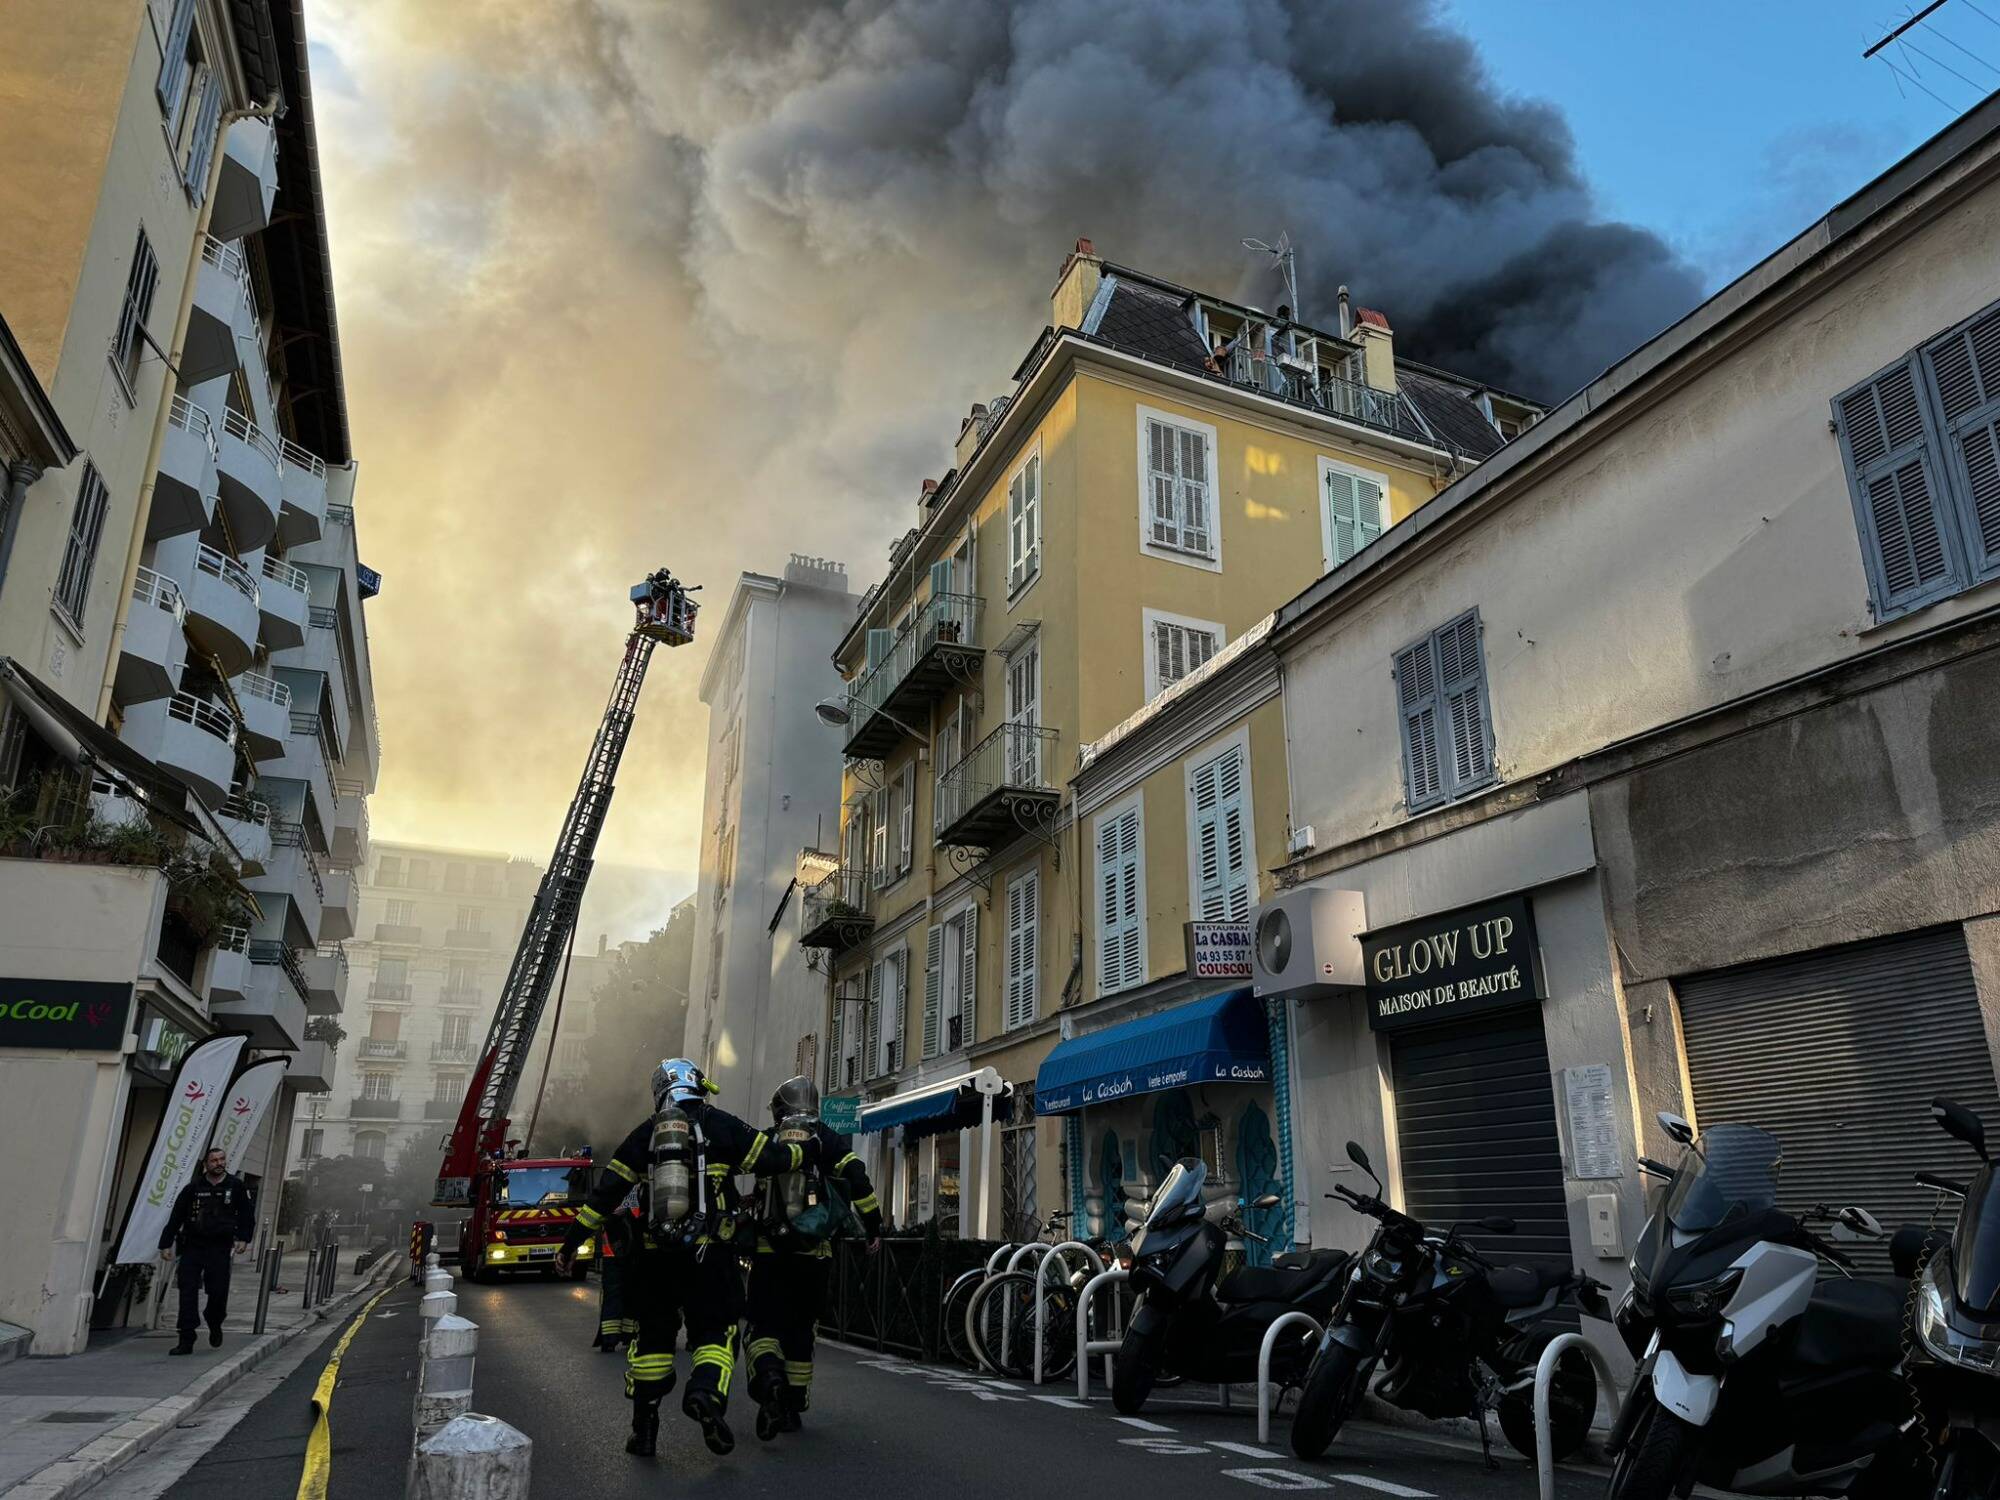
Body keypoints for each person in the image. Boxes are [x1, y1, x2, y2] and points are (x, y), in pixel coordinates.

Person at [556, 1058, 822, 1458]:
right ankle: (705, 1394)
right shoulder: (722, 1125)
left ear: (660, 1090)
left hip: (655, 1259)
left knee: (653, 1339)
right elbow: (773, 1159)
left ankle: (644, 1431)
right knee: (717, 1331)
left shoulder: (645, 1133)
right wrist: (808, 1150)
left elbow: (604, 1196)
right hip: (711, 1255)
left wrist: (569, 1245)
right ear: (699, 1085)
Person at [746, 1075, 881, 1440]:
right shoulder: (827, 1139)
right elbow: (858, 1180)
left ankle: (770, 1381)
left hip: (770, 1253)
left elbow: (739, 1166)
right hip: (814, 1256)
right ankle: (791, 1408)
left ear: (779, 1109)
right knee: (801, 1330)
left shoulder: (770, 1138)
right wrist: (873, 1226)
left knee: (763, 1325)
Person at [158, 1147, 253, 1355]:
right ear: (206, 1164)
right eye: (214, 1160)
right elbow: (177, 1216)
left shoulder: (235, 1186)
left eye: (222, 1159)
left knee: (218, 1291)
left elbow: (246, 1214)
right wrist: (166, 1243)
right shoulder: (193, 1188)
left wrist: (244, 1238)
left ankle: (214, 1320)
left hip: (220, 1247)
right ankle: (186, 1336)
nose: (219, 1163)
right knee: (187, 1290)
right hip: (193, 1245)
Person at [592, 1187, 642, 1353]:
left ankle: (610, 1339)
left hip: (614, 1253)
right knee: (631, 1293)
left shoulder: (612, 1188)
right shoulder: (638, 1189)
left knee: (615, 1295)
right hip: (630, 1251)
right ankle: (628, 1335)